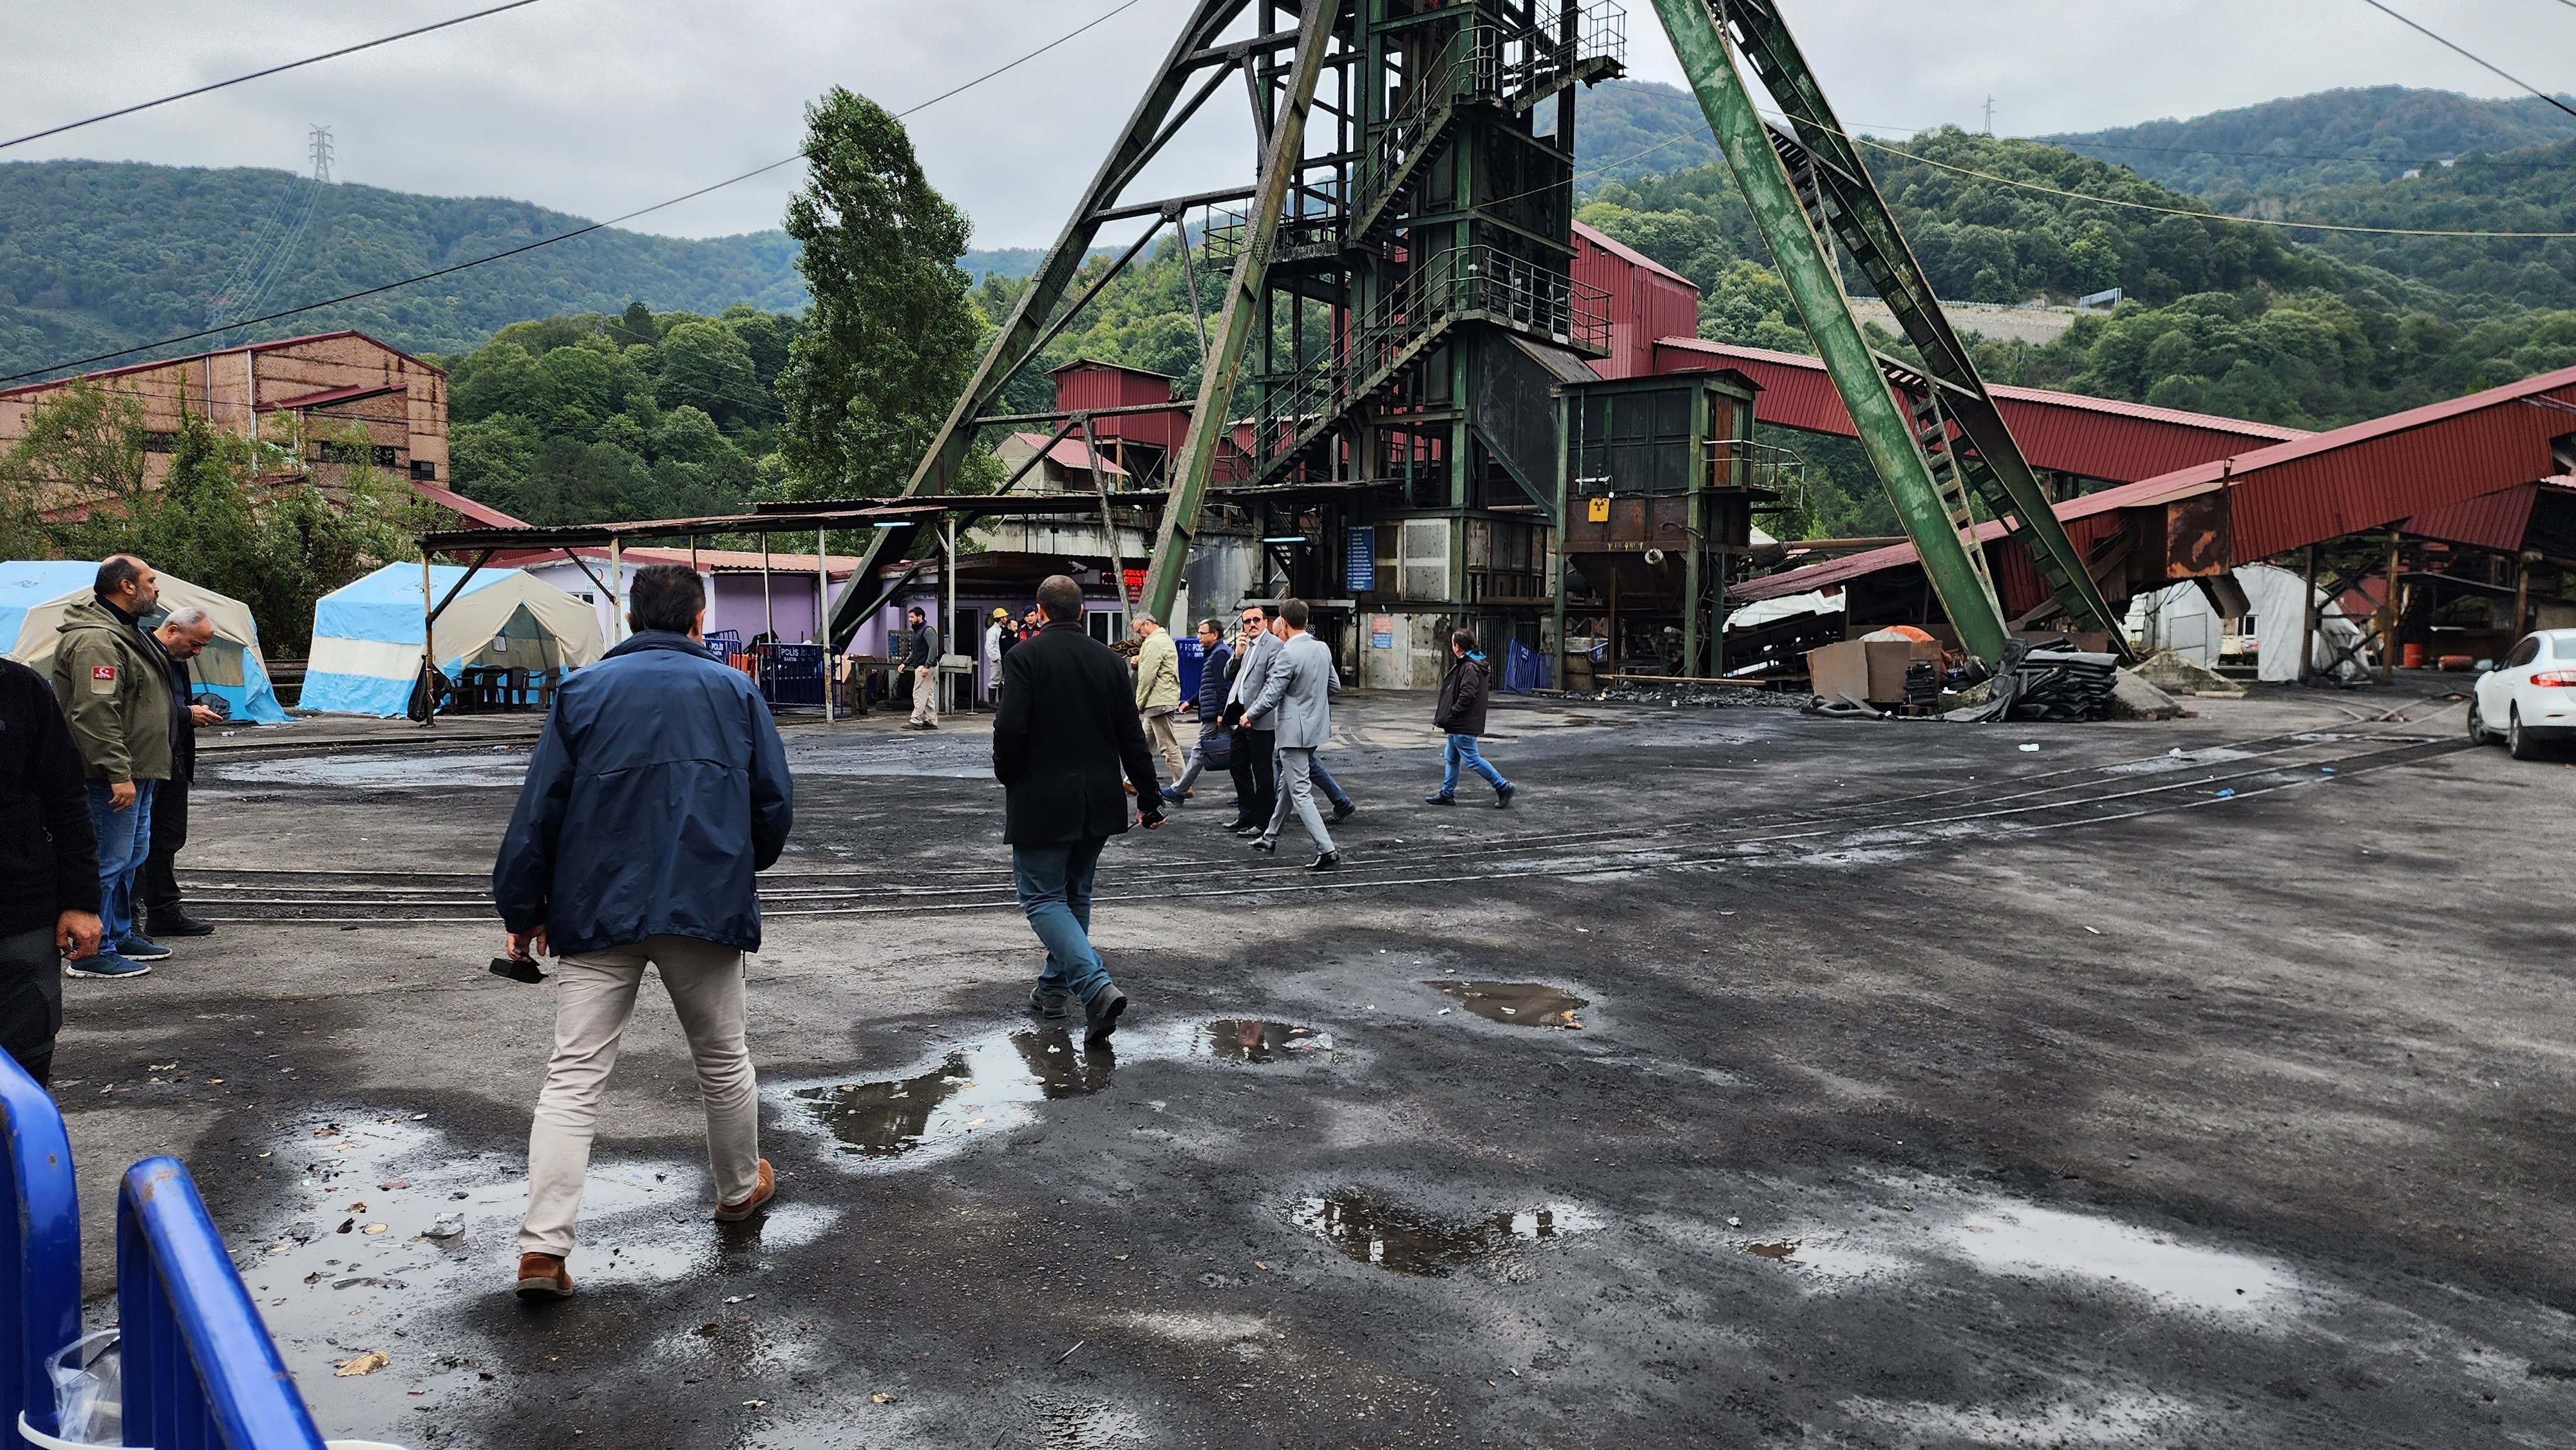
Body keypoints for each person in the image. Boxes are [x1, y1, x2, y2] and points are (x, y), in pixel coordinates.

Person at [493, 563, 794, 1300]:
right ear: (697, 619)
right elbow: (772, 804)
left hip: (597, 907)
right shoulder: (734, 690)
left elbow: (541, 809)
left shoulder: (583, 692)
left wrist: (521, 907)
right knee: (722, 1059)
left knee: (573, 1078)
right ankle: (735, 1190)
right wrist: (730, 864)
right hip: (703, 903)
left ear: (631, 619)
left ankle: (543, 1248)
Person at [992, 574, 1162, 1043]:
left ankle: (1095, 987)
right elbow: (1132, 736)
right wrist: (1150, 798)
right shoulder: (1110, 662)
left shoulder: (1024, 657)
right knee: (1074, 897)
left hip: (1042, 801)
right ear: (1082, 612)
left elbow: (1010, 731)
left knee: (1043, 899)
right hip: (1098, 802)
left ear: (1041, 613)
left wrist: (1009, 775)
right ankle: (1051, 990)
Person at [50, 555, 174, 979]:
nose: (156, 589)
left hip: (139, 772)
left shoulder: (125, 632)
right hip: (109, 777)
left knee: (130, 857)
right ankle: (90, 950)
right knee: (106, 860)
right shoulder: (97, 641)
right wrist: (117, 772)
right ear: (126, 586)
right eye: (150, 581)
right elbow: (95, 712)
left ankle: (118, 933)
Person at [0, 655, 103, 1082]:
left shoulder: (21, 688)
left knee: (25, 1063)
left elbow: (66, 801)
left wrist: (81, 902)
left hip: (18, 919)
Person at [138, 607, 222, 940]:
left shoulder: (175, 659)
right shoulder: (141, 652)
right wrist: (187, 714)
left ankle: (163, 911)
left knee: (168, 838)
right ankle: (126, 921)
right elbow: (139, 708)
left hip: (174, 756)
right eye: (195, 644)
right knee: (134, 842)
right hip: (147, 759)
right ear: (172, 630)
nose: (197, 652)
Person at [1242, 598, 1340, 870]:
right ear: (1306, 620)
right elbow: (1335, 686)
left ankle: (1327, 849)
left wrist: (1249, 715)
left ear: (1283, 622)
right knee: (1287, 784)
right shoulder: (1322, 648)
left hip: (1292, 732)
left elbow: (1272, 693)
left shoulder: (1288, 653)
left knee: (1300, 792)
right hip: (1315, 729)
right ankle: (1270, 836)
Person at [1428, 628, 1516, 808]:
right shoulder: (1470, 663)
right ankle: (1447, 793)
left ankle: (1503, 786)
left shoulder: (1469, 666)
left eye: (1453, 643)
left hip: (1462, 722)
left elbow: (1468, 694)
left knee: (1472, 759)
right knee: (1451, 757)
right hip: (1457, 722)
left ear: (1458, 647)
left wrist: (1453, 712)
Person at [1161, 619, 1232, 808]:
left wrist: (1220, 713)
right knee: (1235, 753)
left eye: (1202, 633)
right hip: (1211, 712)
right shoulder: (1215, 654)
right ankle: (1246, 793)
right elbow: (1208, 686)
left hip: (1213, 715)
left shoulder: (1220, 654)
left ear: (1215, 634)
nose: (1198, 637)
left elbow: (1224, 686)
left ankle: (1179, 790)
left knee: (1199, 751)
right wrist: (1191, 702)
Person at [1222, 605, 1280, 833]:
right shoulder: (1246, 646)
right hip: (1239, 717)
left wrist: (1253, 713)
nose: (1252, 624)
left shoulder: (1274, 646)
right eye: (1247, 621)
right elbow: (1228, 675)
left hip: (1260, 719)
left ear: (1265, 622)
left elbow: (1271, 686)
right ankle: (1247, 814)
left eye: (1256, 620)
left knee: (1262, 772)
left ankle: (1264, 821)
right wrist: (1237, 654)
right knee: (1237, 766)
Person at [1130, 612, 1186, 786]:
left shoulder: (1153, 642)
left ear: (1147, 624)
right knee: (1145, 744)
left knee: (1168, 746)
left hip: (1158, 701)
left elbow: (1148, 676)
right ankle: (1131, 780)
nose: (1140, 636)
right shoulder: (1164, 639)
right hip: (1161, 699)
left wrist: (1138, 703)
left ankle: (1183, 784)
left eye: (1139, 631)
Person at [901, 605, 940, 730]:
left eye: (912, 617)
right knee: (928, 695)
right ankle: (932, 721)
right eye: (910, 617)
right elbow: (915, 651)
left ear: (920, 617)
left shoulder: (927, 631)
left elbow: (933, 649)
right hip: (923, 666)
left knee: (919, 694)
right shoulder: (918, 631)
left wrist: (927, 666)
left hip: (924, 667)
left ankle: (916, 720)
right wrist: (905, 663)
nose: (910, 619)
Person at [984, 607, 1013, 706]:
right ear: (1001, 618)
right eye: (1005, 617)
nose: (1006, 619)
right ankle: (992, 703)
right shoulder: (992, 631)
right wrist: (996, 658)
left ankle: (1001, 703)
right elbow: (989, 646)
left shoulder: (1002, 630)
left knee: (1003, 681)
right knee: (995, 680)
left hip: (1003, 659)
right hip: (997, 660)